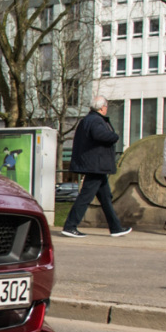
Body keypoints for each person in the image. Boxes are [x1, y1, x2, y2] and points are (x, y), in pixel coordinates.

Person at [61, 95, 132, 238]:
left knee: (105, 198)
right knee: (85, 197)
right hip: (96, 165)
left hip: (94, 165)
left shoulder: (87, 120)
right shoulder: (96, 121)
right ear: (101, 107)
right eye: (106, 106)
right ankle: (70, 226)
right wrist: (114, 136)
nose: (106, 109)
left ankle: (116, 228)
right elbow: (100, 135)